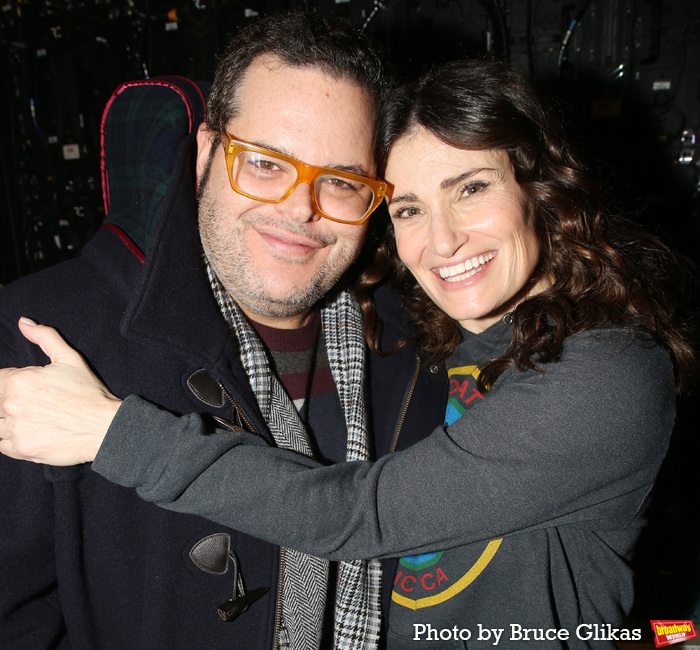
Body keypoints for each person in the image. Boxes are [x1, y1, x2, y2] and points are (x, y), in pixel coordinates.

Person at [2, 59, 697, 649]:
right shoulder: (437, 338)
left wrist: (113, 433)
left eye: (473, 189)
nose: (444, 241)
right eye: (410, 209)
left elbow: (361, 516)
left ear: (540, 191)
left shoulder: (611, 373)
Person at [0, 12, 448, 650]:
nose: (300, 209)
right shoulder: (36, 339)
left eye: (342, 182)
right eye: (265, 164)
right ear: (207, 153)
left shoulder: (423, 348)